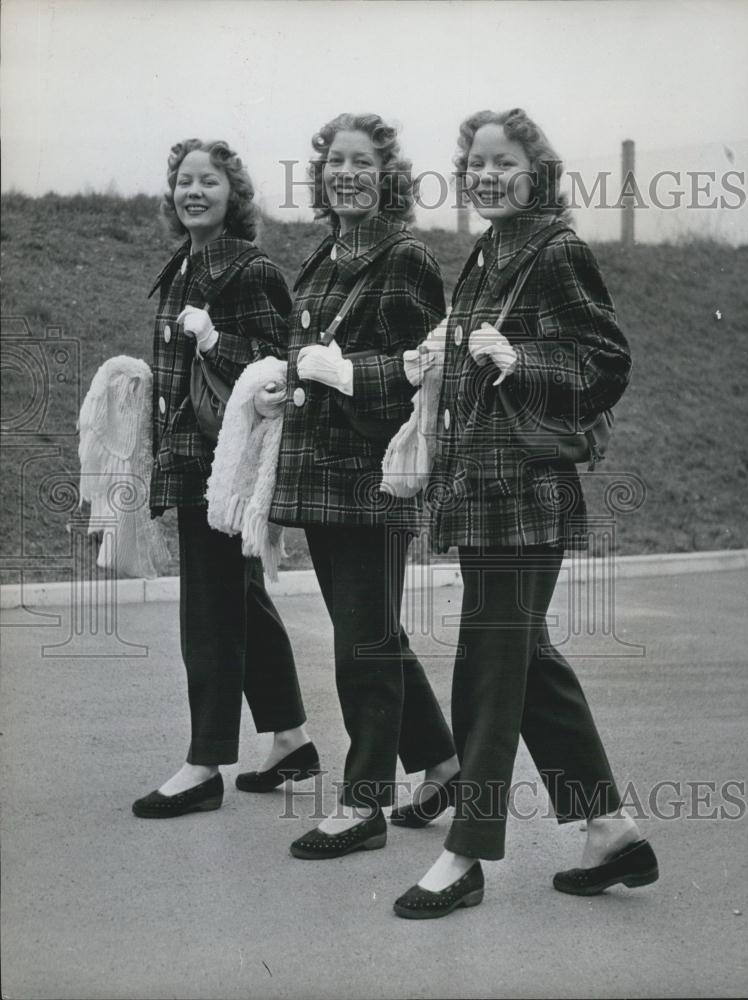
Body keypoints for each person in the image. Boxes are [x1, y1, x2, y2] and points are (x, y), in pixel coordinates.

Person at [392, 108, 659, 917]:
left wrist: (523, 360)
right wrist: (444, 354)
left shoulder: (556, 248)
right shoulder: (488, 252)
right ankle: (608, 830)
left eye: (502, 162)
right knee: (525, 658)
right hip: (484, 496)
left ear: (535, 170)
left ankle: (467, 855)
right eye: (474, 163)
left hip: (527, 498)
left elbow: (604, 358)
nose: (485, 175)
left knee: (488, 666)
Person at [269, 113, 459, 857]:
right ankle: (442, 762)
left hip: (375, 479)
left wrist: (350, 374)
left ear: (387, 176)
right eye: (335, 162)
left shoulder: (404, 256)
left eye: (362, 162)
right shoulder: (321, 259)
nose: (346, 173)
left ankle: (364, 803)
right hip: (322, 475)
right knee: (370, 630)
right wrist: (283, 384)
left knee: (364, 642)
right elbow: (300, 352)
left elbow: (425, 368)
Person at [132, 139, 318, 818]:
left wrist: (216, 343)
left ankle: (204, 762)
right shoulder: (182, 265)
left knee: (209, 611)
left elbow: (279, 365)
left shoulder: (250, 268)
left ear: (232, 194)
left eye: (209, 182)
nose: (194, 192)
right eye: (184, 181)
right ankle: (292, 738)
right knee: (236, 596)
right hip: (192, 454)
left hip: (224, 462)